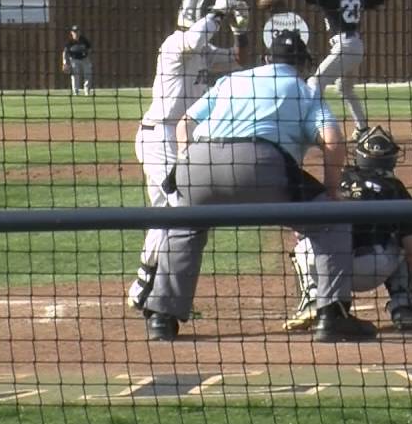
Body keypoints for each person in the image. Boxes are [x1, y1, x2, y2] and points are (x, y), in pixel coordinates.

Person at [140, 29, 376, 343]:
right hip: (262, 165)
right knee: (331, 221)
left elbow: (184, 124)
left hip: (199, 163)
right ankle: (332, 316)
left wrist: (187, 161)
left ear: (266, 59)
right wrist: (332, 192)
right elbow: (333, 142)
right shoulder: (305, 91)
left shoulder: (232, 80)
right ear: (304, 64)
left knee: (184, 225)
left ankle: (161, 319)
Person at [126, 0, 249, 313]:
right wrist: (220, 12)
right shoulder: (174, 44)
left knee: (166, 213)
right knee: (179, 208)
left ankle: (144, 286)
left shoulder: (204, 50)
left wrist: (241, 29)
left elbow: (239, 60)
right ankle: (150, 287)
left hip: (179, 137)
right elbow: (195, 40)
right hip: (159, 136)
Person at [284, 126, 412, 332]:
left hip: (324, 267)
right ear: (391, 159)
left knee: (304, 241)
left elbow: (299, 229)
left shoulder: (335, 181)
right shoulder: (395, 189)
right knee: (405, 242)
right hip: (370, 269)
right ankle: (404, 307)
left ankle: (312, 300)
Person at [257, 0, 395, 142]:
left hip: (345, 46)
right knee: (344, 88)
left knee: (314, 83)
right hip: (356, 46)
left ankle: (311, 127)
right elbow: (379, 1)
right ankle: (362, 128)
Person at [61, 25, 94, 95]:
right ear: (71, 32)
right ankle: (76, 92)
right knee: (75, 76)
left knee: (88, 74)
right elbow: (64, 52)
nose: (76, 33)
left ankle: (87, 91)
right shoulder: (69, 41)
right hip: (74, 60)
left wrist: (89, 59)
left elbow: (90, 49)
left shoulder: (84, 40)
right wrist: (64, 63)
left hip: (85, 59)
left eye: (77, 31)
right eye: (74, 31)